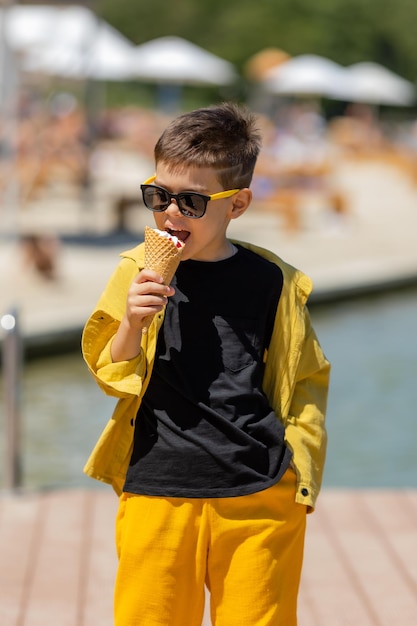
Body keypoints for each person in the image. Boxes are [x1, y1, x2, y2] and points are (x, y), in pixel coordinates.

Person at [82, 102, 330, 626]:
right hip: (156, 487)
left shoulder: (274, 281)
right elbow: (111, 374)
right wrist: (132, 323)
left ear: (236, 204)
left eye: (192, 201)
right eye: (159, 196)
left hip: (259, 490)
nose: (171, 214)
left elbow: (304, 377)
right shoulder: (133, 271)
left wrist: (298, 470)